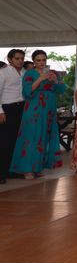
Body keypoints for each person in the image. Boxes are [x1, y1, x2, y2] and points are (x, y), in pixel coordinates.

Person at [11, 50, 66, 179]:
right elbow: (27, 92)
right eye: (38, 60)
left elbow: (61, 90)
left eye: (44, 60)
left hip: (49, 110)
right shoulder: (29, 73)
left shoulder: (52, 73)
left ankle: (37, 167)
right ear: (34, 61)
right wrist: (40, 79)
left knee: (43, 138)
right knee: (31, 138)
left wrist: (56, 81)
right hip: (34, 109)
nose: (41, 63)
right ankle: (27, 169)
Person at [0, 49, 26, 183]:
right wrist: (0, 111)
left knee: (16, 141)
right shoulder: (3, 73)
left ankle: (11, 171)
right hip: (7, 108)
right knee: (4, 142)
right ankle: (1, 173)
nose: (20, 61)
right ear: (10, 59)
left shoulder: (24, 72)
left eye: (22, 58)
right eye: (17, 58)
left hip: (21, 107)